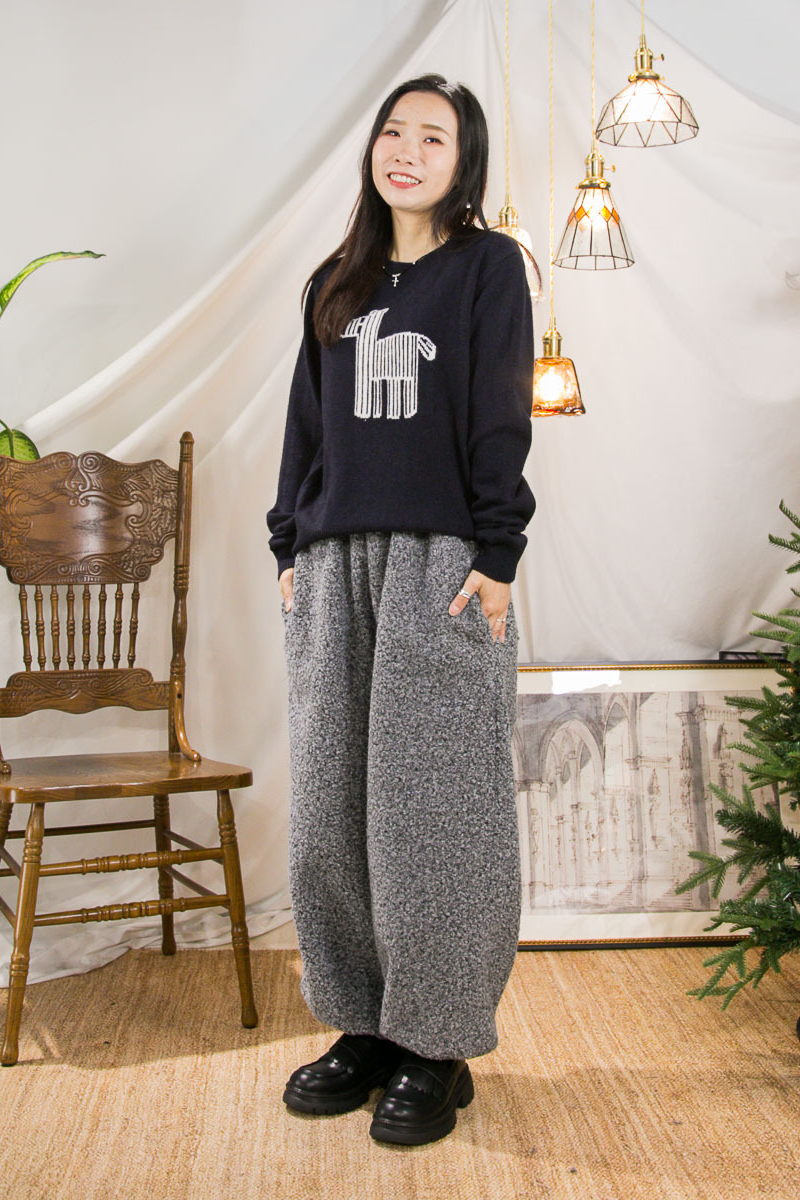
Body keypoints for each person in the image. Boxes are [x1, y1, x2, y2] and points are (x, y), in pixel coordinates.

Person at [265, 72, 535, 1147]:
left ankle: (438, 1043)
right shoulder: (334, 280)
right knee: (333, 811)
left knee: (436, 815)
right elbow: (306, 423)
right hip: (333, 564)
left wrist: (498, 554)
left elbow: (501, 413)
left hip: (442, 563)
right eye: (393, 131)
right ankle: (366, 1026)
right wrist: (289, 541)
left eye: (434, 137)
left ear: (464, 163)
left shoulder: (488, 268)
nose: (407, 151)